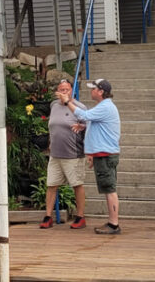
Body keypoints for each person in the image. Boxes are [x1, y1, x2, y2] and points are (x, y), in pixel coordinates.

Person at [58, 78, 121, 235]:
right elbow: (96, 123)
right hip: (102, 154)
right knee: (108, 188)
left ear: (100, 92)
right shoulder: (104, 106)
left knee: (110, 189)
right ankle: (112, 222)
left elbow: (83, 114)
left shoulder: (105, 107)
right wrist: (84, 127)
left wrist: (67, 102)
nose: (91, 91)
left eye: (93, 89)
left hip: (106, 155)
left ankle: (114, 224)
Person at [40, 79, 87, 229]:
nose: (64, 92)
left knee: (77, 184)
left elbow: (88, 125)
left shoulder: (79, 107)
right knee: (51, 185)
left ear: (72, 91)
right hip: (55, 154)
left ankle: (80, 217)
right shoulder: (54, 105)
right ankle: (48, 216)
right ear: (57, 92)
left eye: (67, 89)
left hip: (73, 154)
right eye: (61, 90)